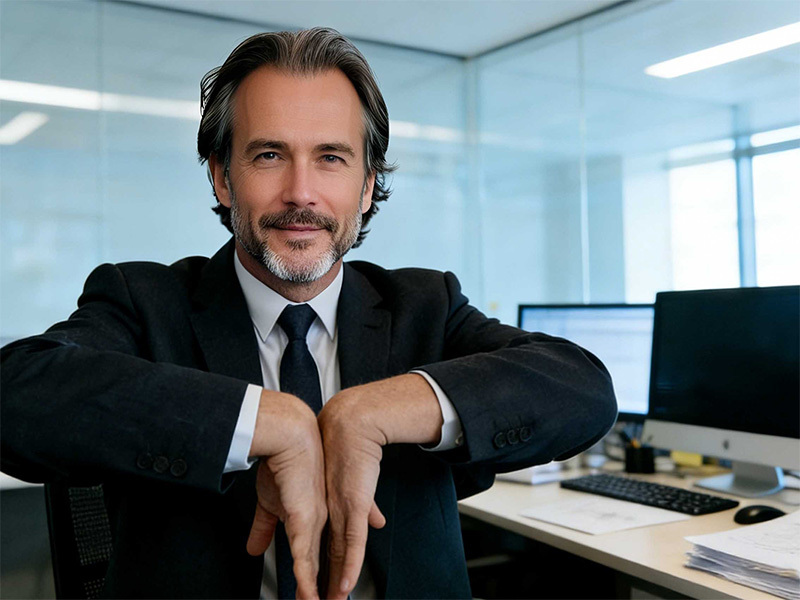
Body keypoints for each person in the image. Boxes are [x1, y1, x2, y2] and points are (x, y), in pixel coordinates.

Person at [0, 28, 617, 600]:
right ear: (222, 177)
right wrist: (261, 422)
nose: (301, 191)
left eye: (332, 157)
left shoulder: (424, 306)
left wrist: (372, 411)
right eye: (269, 155)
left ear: (368, 184)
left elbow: (582, 387)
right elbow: (15, 395)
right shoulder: (143, 302)